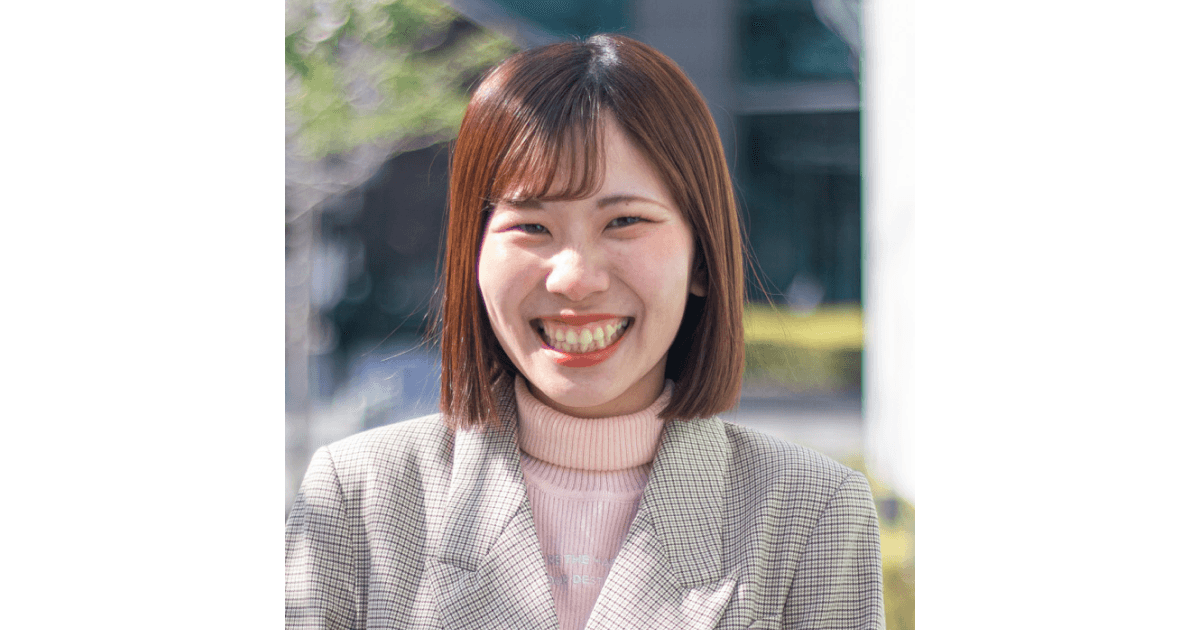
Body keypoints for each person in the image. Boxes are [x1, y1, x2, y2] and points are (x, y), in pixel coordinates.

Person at [285, 34, 883, 630]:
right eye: (531, 226)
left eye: (624, 221)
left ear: (702, 257)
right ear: (473, 251)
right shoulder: (358, 497)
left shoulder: (811, 513)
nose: (574, 279)